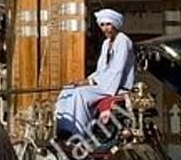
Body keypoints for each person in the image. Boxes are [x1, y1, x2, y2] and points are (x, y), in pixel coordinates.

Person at [54, 8, 136, 139]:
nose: (105, 28)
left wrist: (91, 82)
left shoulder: (123, 41)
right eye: (102, 25)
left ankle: (79, 133)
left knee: (80, 94)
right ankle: (64, 129)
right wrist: (87, 80)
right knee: (68, 90)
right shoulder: (105, 43)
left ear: (115, 24)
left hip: (116, 86)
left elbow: (117, 70)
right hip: (103, 83)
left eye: (108, 24)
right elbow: (101, 70)